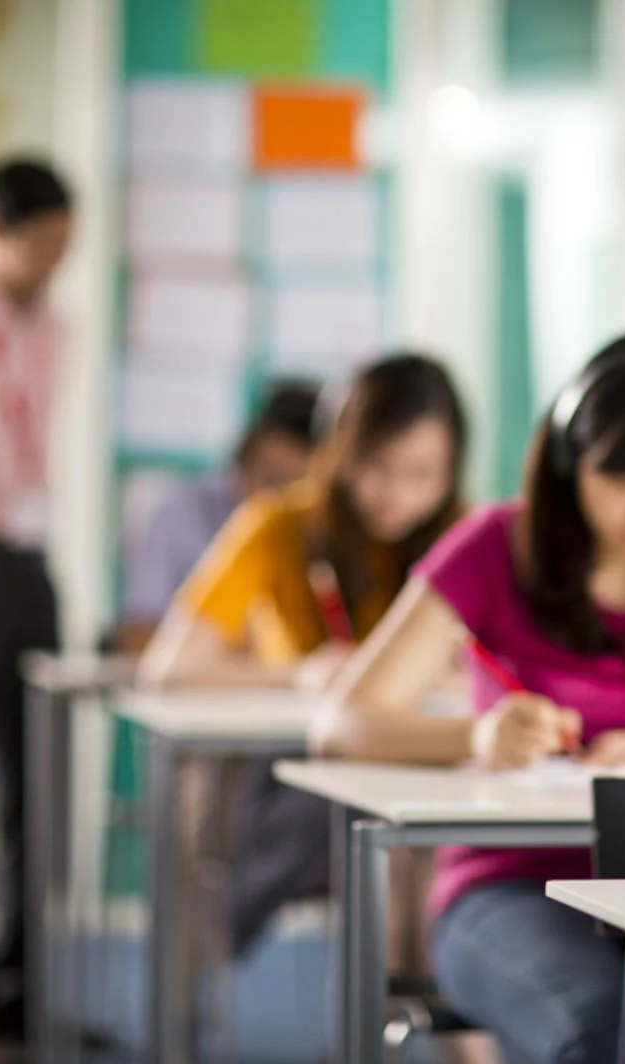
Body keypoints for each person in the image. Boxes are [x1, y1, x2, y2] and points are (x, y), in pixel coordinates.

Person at [315, 330, 625, 1064]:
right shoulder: (495, 545)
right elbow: (342, 722)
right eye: (620, 476)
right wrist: (476, 740)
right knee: (601, 1026)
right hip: (508, 888)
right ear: (567, 459)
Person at [139, 354, 466, 961]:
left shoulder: (465, 539)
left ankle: (413, 1015)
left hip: (427, 764)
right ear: (338, 451)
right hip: (298, 770)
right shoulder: (280, 525)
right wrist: (301, 673)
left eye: (423, 474)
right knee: (367, 827)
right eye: (377, 467)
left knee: (423, 851)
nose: (397, 494)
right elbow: (168, 668)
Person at [0, 157, 73, 1040]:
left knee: (36, 775)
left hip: (29, 560)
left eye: (64, 246)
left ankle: (25, 988)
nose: (51, 264)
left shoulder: (57, 327)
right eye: (38, 245)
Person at [116, 381, 321, 653]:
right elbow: (136, 636)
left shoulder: (308, 528)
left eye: (294, 488)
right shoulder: (179, 513)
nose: (274, 501)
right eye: (272, 479)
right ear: (249, 450)